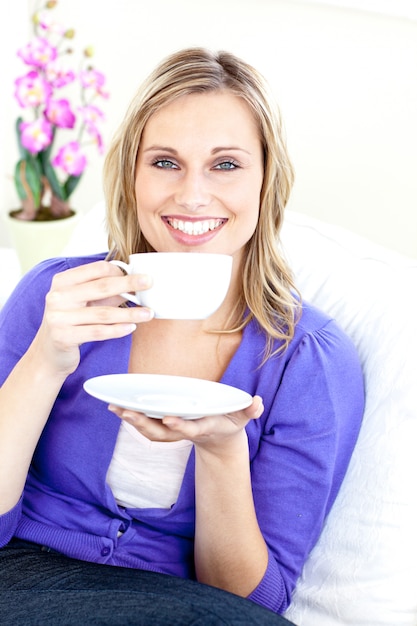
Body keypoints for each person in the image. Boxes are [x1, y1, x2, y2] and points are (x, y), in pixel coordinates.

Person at [0, 47, 364, 624]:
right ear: (132, 176)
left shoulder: (309, 362)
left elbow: (251, 604)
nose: (192, 195)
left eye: (226, 165)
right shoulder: (58, 298)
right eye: (165, 162)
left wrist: (221, 451)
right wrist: (45, 359)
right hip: (20, 576)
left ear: (267, 180)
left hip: (185, 607)